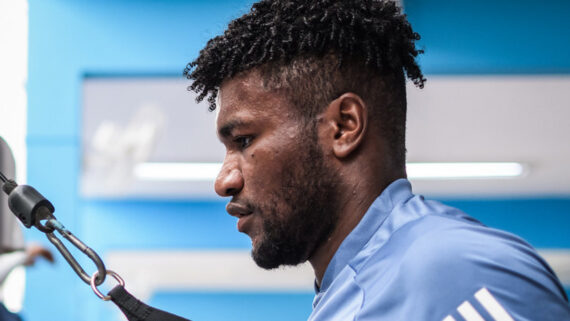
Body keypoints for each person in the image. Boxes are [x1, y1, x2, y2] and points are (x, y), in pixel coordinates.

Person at [184, 0, 570, 320]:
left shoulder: (455, 271)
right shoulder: (344, 298)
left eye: (244, 140)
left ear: (343, 127)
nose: (225, 181)